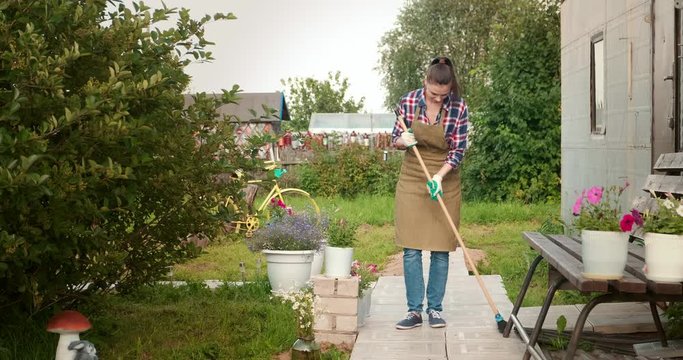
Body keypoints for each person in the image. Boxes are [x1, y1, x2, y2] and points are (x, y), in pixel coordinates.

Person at [392, 56, 469, 329]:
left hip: (444, 178)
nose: (438, 100)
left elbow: (458, 150)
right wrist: (403, 140)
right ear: (425, 82)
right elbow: (395, 139)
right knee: (411, 248)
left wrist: (438, 177)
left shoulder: (459, 108)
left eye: (443, 95)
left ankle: (435, 309)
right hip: (413, 176)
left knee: (440, 248)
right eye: (434, 94)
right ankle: (414, 311)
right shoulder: (408, 101)